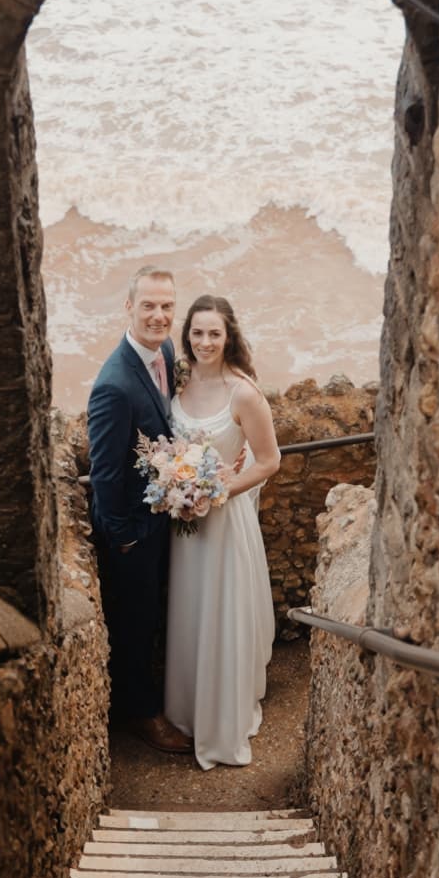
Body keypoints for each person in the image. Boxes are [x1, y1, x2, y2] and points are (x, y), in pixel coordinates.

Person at [164, 295, 280, 769]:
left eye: (214, 333)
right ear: (187, 335)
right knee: (191, 614)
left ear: (228, 335)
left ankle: (223, 720)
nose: (205, 341)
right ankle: (190, 710)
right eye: (197, 332)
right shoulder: (178, 378)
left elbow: (270, 460)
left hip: (224, 523)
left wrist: (225, 489)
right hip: (184, 525)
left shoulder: (244, 393)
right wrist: (174, 483)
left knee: (222, 614)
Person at [87, 266, 193, 754]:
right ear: (128, 307)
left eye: (167, 306)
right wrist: (124, 538)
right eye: (148, 305)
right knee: (133, 620)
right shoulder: (113, 386)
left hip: (160, 516)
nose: (158, 315)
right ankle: (141, 714)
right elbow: (105, 474)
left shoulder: (165, 351)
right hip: (132, 531)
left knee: (153, 613)